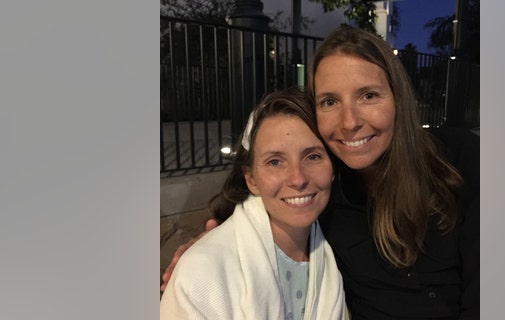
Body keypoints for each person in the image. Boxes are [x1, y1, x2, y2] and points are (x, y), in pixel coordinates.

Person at [163, 25, 479, 319]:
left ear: (398, 97)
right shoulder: (326, 185)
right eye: (329, 101)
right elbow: (268, 203)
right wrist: (209, 254)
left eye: (368, 95)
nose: (350, 121)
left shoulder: (460, 160)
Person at [160, 86, 349, 320]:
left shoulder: (335, 246)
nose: (298, 179)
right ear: (251, 179)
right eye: (275, 162)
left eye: (312, 156)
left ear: (333, 168)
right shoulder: (201, 274)